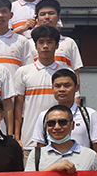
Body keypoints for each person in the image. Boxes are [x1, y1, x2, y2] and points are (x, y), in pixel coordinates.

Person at [29, 69, 97, 170]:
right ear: (52, 88)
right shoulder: (44, 116)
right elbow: (40, 151)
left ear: (76, 87)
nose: (62, 89)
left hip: (82, 171)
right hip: (51, 172)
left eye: (67, 85)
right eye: (57, 86)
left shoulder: (89, 115)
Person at [13, 25, 67, 154]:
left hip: (60, 141)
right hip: (29, 141)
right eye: (41, 42)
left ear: (57, 45)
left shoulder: (65, 72)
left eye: (50, 42)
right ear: (35, 46)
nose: (45, 46)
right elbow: (18, 108)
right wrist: (17, 136)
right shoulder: (23, 72)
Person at [34, 0, 83, 76]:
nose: (47, 17)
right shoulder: (29, 43)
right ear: (37, 18)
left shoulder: (69, 42)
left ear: (59, 17)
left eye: (51, 13)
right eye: (42, 14)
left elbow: (75, 72)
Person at [0, 0, 35, 73]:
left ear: (11, 15)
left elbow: (28, 69)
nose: (0, 15)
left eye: (4, 11)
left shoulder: (22, 41)